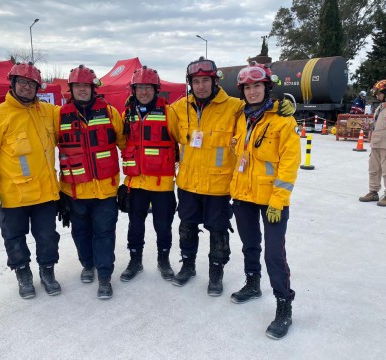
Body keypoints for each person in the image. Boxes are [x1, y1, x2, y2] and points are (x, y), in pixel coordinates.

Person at [0, 62, 62, 299]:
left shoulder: (48, 112)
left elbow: (73, 111)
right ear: (12, 84)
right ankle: (23, 275)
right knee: (14, 238)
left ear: (37, 87)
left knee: (47, 237)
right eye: (22, 82)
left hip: (45, 193)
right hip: (13, 196)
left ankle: (47, 272)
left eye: (31, 84)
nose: (26, 87)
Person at [229, 62, 301, 339]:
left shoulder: (284, 120)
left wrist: (278, 200)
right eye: (247, 87)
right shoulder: (241, 118)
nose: (252, 91)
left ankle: (284, 306)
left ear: (267, 87)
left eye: (257, 85)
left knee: (274, 253)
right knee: (249, 245)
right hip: (244, 196)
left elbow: (289, 164)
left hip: (272, 200)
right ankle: (252, 283)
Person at [169, 57, 243, 296]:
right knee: (187, 228)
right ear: (190, 83)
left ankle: (216, 274)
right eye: (196, 81)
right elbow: (166, 134)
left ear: (215, 81)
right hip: (189, 183)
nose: (200, 86)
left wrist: (278, 107)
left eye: (205, 81)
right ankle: (188, 266)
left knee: (218, 232)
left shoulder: (234, 107)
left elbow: (259, 113)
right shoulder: (179, 108)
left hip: (219, 186)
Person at [57, 64, 125, 299]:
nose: (82, 90)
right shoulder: (59, 115)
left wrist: (131, 180)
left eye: (86, 85)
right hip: (74, 191)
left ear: (93, 88)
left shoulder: (109, 112)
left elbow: (125, 143)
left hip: (105, 190)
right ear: (71, 88)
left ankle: (105, 277)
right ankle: (88, 265)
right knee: (80, 232)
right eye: (78, 86)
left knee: (105, 233)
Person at [118, 66, 179, 282]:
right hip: (136, 183)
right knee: (135, 226)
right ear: (133, 90)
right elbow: (122, 142)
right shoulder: (126, 115)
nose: (144, 92)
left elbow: (182, 138)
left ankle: (164, 260)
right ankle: (135, 260)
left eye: (148, 88)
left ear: (156, 89)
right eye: (139, 87)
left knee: (163, 226)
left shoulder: (169, 113)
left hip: (162, 185)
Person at [359, 80, 386, 206]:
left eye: (378, 93)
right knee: (373, 169)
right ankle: (373, 192)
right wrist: (368, 125)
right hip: (375, 143)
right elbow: (377, 124)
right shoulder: (380, 108)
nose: (376, 95)